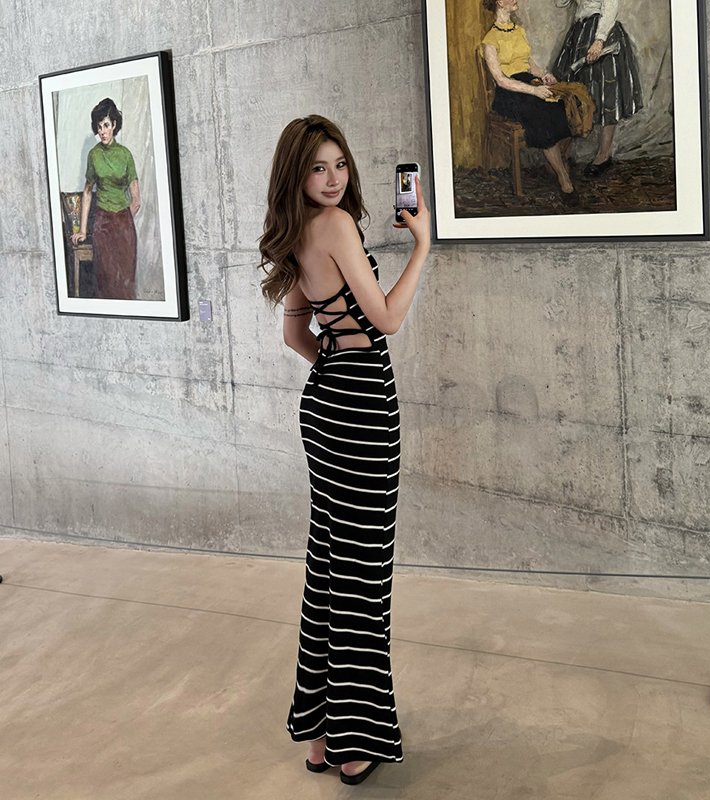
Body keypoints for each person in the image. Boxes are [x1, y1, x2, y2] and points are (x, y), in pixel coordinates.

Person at [258, 115, 430, 785]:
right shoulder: (334, 226)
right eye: (317, 167)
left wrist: (334, 364)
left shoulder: (298, 231)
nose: (333, 178)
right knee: (361, 577)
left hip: (324, 406)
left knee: (331, 568)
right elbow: (385, 319)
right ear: (297, 174)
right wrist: (422, 246)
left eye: (339, 164)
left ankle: (321, 736)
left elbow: (294, 335)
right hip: (362, 411)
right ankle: (357, 744)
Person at [481, 0, 578, 205]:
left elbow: (529, 63)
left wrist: (544, 76)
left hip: (529, 83)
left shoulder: (519, 30)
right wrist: (534, 90)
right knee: (540, 113)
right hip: (509, 94)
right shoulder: (490, 40)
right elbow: (501, 80)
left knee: (564, 105)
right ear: (499, 2)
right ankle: (564, 179)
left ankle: (555, 162)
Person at [552, 0, 643, 176]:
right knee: (573, 92)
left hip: (602, 33)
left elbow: (610, 5)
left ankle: (603, 155)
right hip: (580, 33)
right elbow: (561, 3)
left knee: (606, 94)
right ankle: (566, 152)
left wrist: (600, 40)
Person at [70, 98, 140, 299]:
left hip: (124, 226)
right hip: (102, 225)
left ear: (114, 125)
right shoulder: (94, 155)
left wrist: (123, 221)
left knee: (125, 284)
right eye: (99, 127)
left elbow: (136, 200)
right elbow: (87, 192)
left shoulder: (125, 155)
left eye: (106, 125)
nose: (102, 131)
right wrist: (83, 230)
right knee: (106, 282)